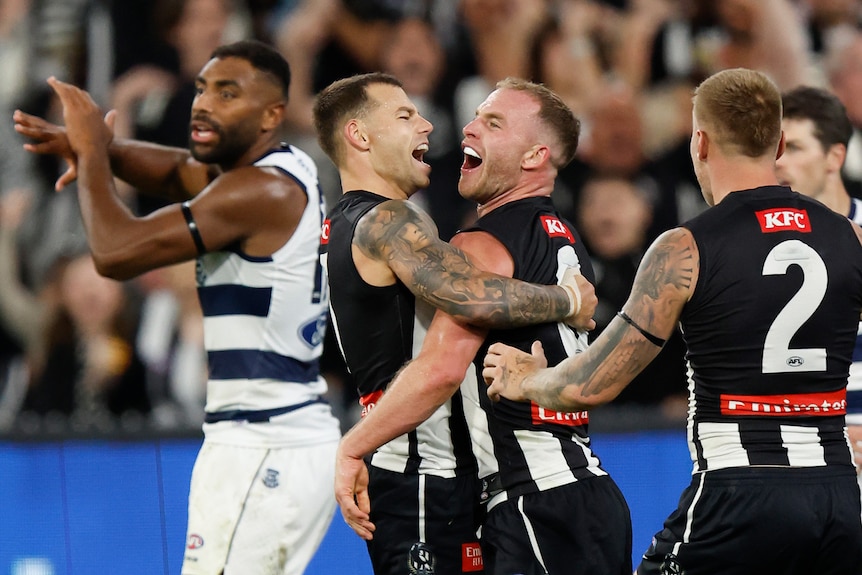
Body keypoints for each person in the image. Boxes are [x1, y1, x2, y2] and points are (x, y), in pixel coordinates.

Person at [483, 68, 862, 575]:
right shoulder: (853, 238)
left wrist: (528, 379)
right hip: (839, 494)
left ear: (700, 142)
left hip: (737, 493)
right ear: (779, 145)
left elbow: (593, 383)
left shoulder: (684, 248)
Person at [13, 40, 342, 574]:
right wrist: (97, 149)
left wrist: (94, 152)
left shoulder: (259, 190)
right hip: (276, 437)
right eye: (201, 88)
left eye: (227, 92)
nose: (203, 103)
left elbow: (115, 253)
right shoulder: (280, 168)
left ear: (271, 115)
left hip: (265, 443)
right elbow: (174, 172)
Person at [331, 76, 632, 575]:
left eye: (492, 122)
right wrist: (563, 302)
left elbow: (444, 364)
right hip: (582, 486)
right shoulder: (565, 241)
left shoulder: (480, 244)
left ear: (535, 156)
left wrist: (352, 446)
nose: (466, 128)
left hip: (531, 496)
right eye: (475, 117)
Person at [775, 84, 862, 508]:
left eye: (794, 147)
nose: (780, 163)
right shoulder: (759, 247)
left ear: (835, 157)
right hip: (791, 463)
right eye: (774, 149)